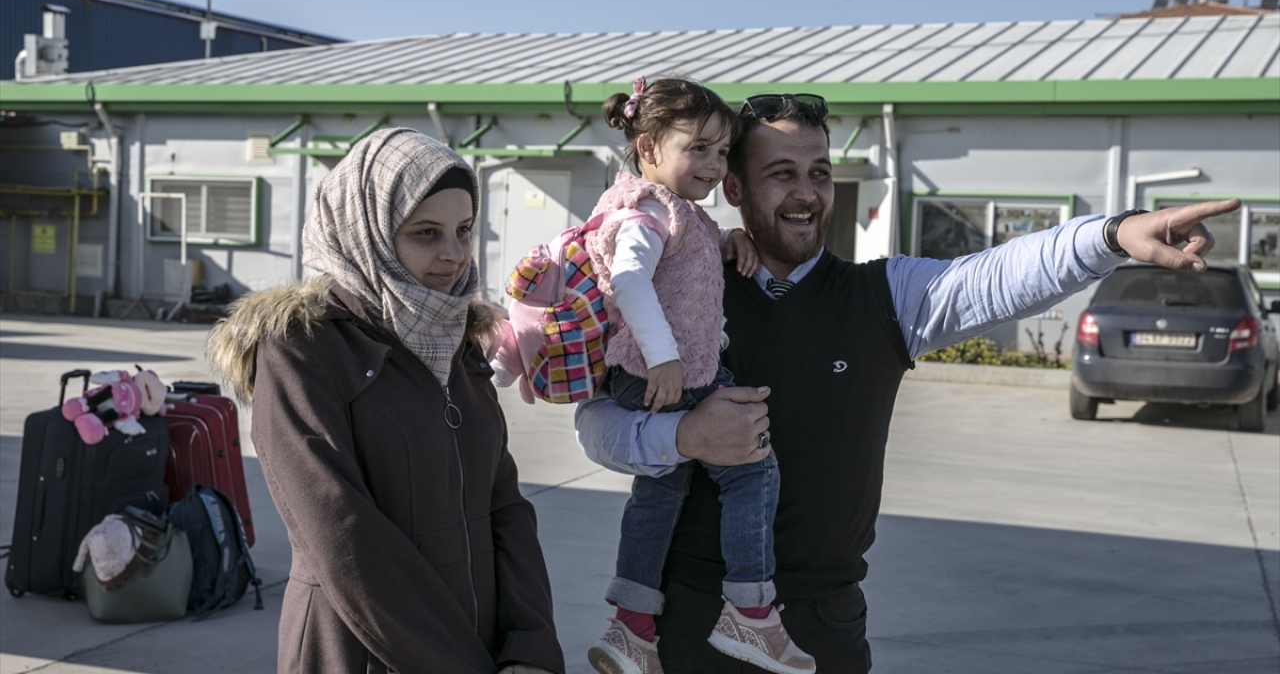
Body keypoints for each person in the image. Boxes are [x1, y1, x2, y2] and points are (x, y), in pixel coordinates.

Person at [575, 93, 1240, 673]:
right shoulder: (676, 286)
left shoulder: (881, 296)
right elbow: (595, 429)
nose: (807, 194)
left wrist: (1114, 235)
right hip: (688, 623)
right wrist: (685, 435)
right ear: (735, 188)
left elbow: (997, 276)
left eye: (819, 174)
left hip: (823, 626)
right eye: (781, 175)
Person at [207, 129, 565, 674]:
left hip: (490, 650)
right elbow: (342, 536)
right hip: (364, 652)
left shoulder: (458, 340)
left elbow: (505, 507)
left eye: (464, 230)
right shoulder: (303, 349)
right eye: (426, 233)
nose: (452, 254)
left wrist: (530, 646)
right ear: (365, 231)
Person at [558, 77, 813, 674]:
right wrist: (665, 356)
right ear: (648, 147)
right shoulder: (646, 211)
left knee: (659, 492)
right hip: (667, 372)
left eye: (722, 151)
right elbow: (629, 279)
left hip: (658, 371)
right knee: (752, 464)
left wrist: (728, 241)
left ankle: (633, 628)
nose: (712, 164)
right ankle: (750, 613)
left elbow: (682, 262)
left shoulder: (682, 215)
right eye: (697, 148)